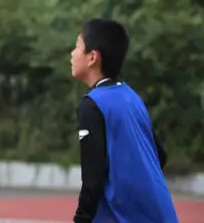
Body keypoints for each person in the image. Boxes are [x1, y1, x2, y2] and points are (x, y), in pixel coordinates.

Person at [69, 18, 179, 223]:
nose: (72, 53)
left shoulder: (92, 105)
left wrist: (81, 219)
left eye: (77, 46)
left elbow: (93, 177)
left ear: (92, 57)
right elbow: (159, 156)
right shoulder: (131, 97)